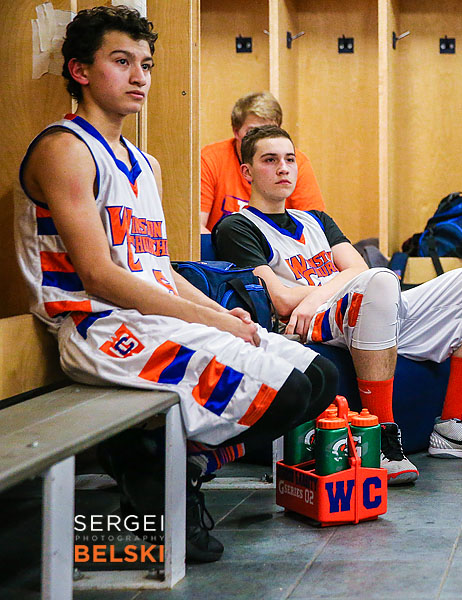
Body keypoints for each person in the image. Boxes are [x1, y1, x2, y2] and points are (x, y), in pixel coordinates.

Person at [15, 6, 337, 563]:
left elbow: (159, 272)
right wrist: (211, 318)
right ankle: (153, 468)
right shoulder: (64, 149)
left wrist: (223, 311)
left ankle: (171, 464)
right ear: (81, 70)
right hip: (99, 327)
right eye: (122, 61)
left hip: (155, 317)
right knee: (284, 390)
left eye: (146, 63)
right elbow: (99, 276)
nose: (140, 76)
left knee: (319, 376)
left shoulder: (146, 163)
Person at [213, 125, 462, 485]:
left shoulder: (316, 220)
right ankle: (381, 439)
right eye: (270, 160)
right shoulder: (236, 226)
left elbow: (359, 268)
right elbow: (278, 297)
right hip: (313, 324)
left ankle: (453, 425)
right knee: (381, 281)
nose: (283, 168)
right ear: (247, 172)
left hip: (357, 305)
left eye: (290, 159)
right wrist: (329, 292)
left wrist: (314, 294)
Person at [200, 91, 325, 233]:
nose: (261, 139)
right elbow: (194, 228)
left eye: (269, 131)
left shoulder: (296, 162)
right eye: (252, 131)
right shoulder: (210, 159)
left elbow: (315, 228)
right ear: (236, 132)